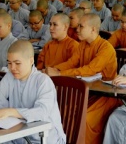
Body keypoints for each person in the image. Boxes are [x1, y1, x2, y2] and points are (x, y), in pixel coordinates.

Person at [0, 40, 66, 144]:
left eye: (17, 63)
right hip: (18, 135)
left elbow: (42, 111)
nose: (12, 68)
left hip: (44, 138)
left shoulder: (42, 81)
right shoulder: (9, 77)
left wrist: (12, 112)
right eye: (9, 63)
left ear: (31, 61)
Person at [46, 13, 120, 143]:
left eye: (81, 26)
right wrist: (55, 69)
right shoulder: (83, 45)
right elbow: (71, 62)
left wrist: (59, 74)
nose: (77, 29)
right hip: (87, 93)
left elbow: (90, 70)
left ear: (93, 29)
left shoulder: (106, 48)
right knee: (66, 112)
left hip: (105, 96)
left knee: (85, 119)